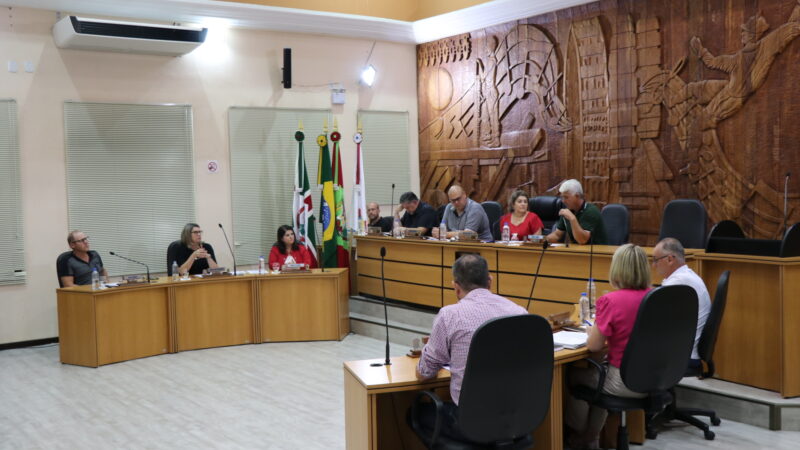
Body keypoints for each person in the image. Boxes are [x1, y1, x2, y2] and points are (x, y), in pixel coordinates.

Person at [416, 254, 527, 437]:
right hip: (516, 418)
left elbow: (424, 373)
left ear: (456, 287)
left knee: (418, 412)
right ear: (490, 281)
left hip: (470, 421)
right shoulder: (519, 312)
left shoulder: (449, 315)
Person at [566, 244, 651, 449]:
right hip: (653, 379)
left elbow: (594, 346)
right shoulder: (655, 297)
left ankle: (578, 435)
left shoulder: (610, 301)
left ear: (617, 269)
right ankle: (590, 437)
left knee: (573, 376)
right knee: (599, 378)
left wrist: (592, 331)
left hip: (623, 382)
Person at [652, 237, 711, 368]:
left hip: (683, 357)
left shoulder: (679, 282)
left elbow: (652, 317)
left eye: (656, 260)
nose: (653, 265)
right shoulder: (685, 277)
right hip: (684, 351)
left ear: (670, 259)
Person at [546, 179, 607, 245]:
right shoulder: (568, 211)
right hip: (578, 251)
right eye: (562, 197)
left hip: (597, 252)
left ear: (577, 196)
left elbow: (582, 240)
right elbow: (557, 235)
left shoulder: (591, 211)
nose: (563, 201)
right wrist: (543, 240)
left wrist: (572, 218)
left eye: (566, 197)